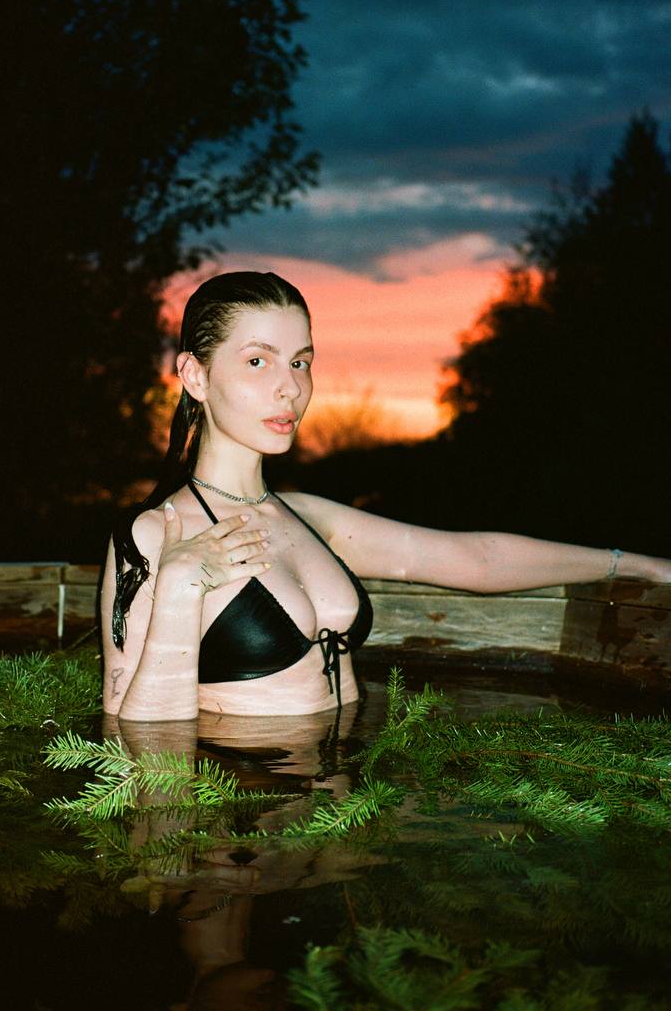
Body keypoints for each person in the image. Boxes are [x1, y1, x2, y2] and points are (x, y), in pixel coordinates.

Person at [102, 272, 671, 721]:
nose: (290, 386)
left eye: (301, 362)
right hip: (247, 809)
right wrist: (179, 586)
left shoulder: (310, 518)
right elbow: (129, 733)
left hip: (347, 791)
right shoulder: (156, 535)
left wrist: (640, 566)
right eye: (258, 361)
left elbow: (474, 558)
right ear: (195, 376)